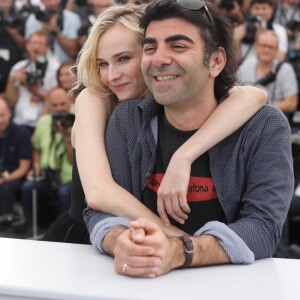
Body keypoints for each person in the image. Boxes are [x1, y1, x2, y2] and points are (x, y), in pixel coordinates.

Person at [83, 0, 293, 278]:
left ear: (216, 61)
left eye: (178, 46)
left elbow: (263, 227)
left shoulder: (264, 126)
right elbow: (99, 213)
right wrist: (120, 240)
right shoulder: (126, 118)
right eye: (150, 47)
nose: (159, 58)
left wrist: (181, 251)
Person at [42, 3, 267, 244]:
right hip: (85, 240)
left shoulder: (167, 96)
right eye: (103, 64)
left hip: (140, 242)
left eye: (124, 58)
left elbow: (254, 96)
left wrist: (185, 156)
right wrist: (180, 240)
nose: (112, 75)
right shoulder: (95, 97)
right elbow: (99, 194)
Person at [19, 87, 73, 231]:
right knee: (28, 188)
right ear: (48, 106)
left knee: (63, 193)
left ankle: (63, 231)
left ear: (69, 103)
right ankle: (33, 229)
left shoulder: (75, 122)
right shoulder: (44, 121)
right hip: (47, 175)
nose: (59, 109)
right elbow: (36, 148)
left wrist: (67, 136)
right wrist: (36, 164)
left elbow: (72, 160)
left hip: (68, 178)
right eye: (54, 105)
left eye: (62, 104)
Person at [4, 30, 59, 134]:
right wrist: (12, 82)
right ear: (27, 45)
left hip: (44, 123)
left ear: (47, 47)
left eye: (40, 43)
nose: (36, 47)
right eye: (33, 43)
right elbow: (11, 102)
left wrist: (35, 92)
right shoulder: (19, 67)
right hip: (20, 122)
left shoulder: (55, 68)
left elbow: (58, 101)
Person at [238, 29, 298, 115]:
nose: (266, 50)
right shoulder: (246, 65)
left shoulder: (285, 70)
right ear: (256, 46)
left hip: (274, 120)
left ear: (277, 49)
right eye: (263, 45)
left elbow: (292, 104)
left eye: (271, 47)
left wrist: (261, 107)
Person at [0, 97, 31, 225]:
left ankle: (7, 221)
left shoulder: (21, 133)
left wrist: (4, 179)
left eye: (2, 115)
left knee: (7, 187)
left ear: (9, 114)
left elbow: (23, 168)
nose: (0, 120)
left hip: (15, 176)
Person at [234, 0, 288, 64]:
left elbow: (280, 58)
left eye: (264, 8)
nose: (260, 12)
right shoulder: (243, 27)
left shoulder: (279, 30)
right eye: (256, 8)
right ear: (250, 10)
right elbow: (234, 59)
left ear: (271, 11)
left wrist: (262, 35)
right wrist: (236, 38)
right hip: (244, 68)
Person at [0, 0, 25, 95]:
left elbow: (26, 48)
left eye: (6, 1)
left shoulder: (18, 19)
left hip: (13, 74)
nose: (3, 5)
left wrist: (14, 33)